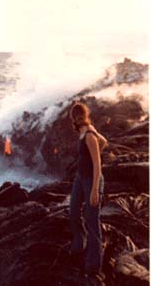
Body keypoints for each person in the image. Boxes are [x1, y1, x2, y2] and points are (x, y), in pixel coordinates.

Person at [69, 101, 108, 279]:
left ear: (83, 116)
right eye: (75, 116)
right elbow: (105, 141)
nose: (77, 119)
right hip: (80, 177)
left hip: (91, 179)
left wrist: (94, 190)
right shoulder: (84, 131)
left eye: (79, 116)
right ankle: (79, 246)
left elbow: (97, 165)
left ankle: (93, 266)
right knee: (74, 212)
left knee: (92, 221)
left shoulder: (89, 135)